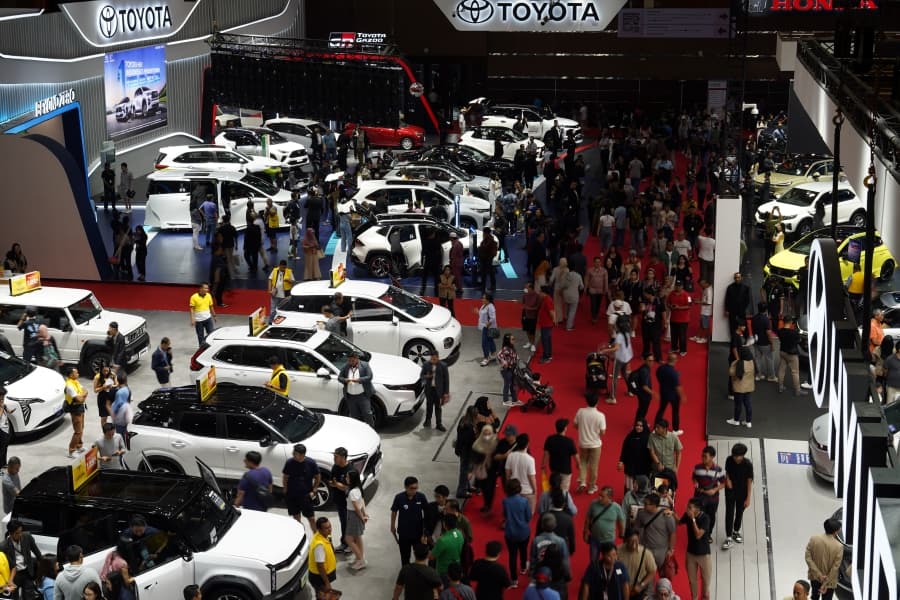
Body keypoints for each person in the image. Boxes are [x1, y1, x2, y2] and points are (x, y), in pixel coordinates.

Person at [634, 493, 677, 575]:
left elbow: (672, 533)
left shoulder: (667, 516)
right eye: (644, 503)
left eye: (646, 504)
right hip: (646, 549)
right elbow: (637, 528)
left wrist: (671, 549)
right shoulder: (641, 514)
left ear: (654, 505)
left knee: (661, 573)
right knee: (644, 572)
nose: (644, 505)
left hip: (661, 551)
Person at [391, 477, 428, 566]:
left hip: (418, 534)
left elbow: (427, 513)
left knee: (420, 557)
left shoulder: (421, 497)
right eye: (412, 488)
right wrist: (392, 526)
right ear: (406, 487)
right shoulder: (399, 497)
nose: (414, 490)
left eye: (416, 488)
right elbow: (394, 511)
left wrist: (425, 531)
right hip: (404, 534)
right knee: (405, 557)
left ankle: (418, 572)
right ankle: (406, 572)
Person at [574, 393, 607, 494]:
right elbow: (603, 432)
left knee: (583, 462)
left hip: (583, 442)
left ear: (586, 401)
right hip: (595, 444)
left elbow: (575, 425)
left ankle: (582, 481)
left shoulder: (580, 411)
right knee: (593, 466)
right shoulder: (600, 415)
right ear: (597, 402)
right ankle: (591, 487)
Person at [502, 479, 532, 589]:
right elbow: (529, 516)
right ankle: (523, 567)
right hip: (523, 531)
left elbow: (505, 515)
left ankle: (514, 579)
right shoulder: (524, 501)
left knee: (512, 555)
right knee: (523, 550)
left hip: (510, 532)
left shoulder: (505, 501)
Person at [584, 486, 626, 564]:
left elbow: (621, 521)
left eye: (602, 496)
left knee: (610, 560)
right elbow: (588, 518)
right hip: (595, 539)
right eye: (599, 495)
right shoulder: (594, 504)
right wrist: (585, 532)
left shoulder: (616, 507)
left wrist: (622, 532)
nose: (599, 498)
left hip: (609, 540)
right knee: (593, 561)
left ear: (609, 497)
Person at [282, 444, 320, 531]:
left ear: (302, 455)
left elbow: (318, 477)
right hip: (292, 495)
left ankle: (316, 535)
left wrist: (314, 489)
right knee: (296, 518)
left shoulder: (311, 463)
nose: (292, 454)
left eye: (295, 453)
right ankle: (302, 534)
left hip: (306, 496)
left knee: (311, 518)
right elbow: (285, 477)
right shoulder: (289, 463)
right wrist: (285, 489)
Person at [680, 498, 712, 600]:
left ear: (697, 509)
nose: (687, 509)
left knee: (706, 580)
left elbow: (698, 535)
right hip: (691, 554)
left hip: (704, 554)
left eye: (690, 507)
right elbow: (679, 522)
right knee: (692, 580)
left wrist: (693, 519)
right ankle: (694, 598)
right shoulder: (687, 515)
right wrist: (671, 513)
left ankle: (705, 596)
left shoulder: (705, 518)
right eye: (687, 506)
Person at [804, 518, 843, 600]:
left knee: (814, 597)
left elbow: (808, 558)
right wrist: (825, 583)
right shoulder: (839, 546)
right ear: (836, 531)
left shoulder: (814, 539)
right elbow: (835, 567)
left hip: (814, 576)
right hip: (830, 581)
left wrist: (819, 575)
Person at [3, 519, 41, 599]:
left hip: (27, 571)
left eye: (21, 531)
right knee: (14, 597)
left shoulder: (27, 536)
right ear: (10, 533)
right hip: (15, 575)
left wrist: (42, 570)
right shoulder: (4, 546)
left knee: (29, 596)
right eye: (17, 533)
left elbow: (38, 553)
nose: (20, 534)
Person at [617, 528, 657, 599]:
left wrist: (641, 585)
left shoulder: (646, 553)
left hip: (637, 591)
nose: (634, 545)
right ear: (625, 540)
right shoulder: (618, 551)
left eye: (636, 541)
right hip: (621, 589)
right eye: (631, 541)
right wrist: (620, 576)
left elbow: (652, 572)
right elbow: (615, 567)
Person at [338, 352, 375, 428]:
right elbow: (339, 378)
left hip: (363, 396)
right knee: (354, 415)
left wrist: (359, 380)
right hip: (351, 397)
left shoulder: (365, 365)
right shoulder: (346, 366)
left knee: (367, 414)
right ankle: (357, 430)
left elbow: (369, 376)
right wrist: (345, 380)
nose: (350, 362)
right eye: (349, 360)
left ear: (357, 359)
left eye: (352, 360)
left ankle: (371, 429)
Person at [654, 353, 685, 435]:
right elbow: (677, 386)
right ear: (675, 360)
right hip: (674, 396)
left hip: (663, 393)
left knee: (661, 410)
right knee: (675, 412)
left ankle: (655, 428)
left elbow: (657, 375)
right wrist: (682, 396)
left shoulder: (661, 368)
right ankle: (675, 430)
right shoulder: (673, 373)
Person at [543, 418, 577, 493]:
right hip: (566, 469)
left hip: (554, 468)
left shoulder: (550, 439)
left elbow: (546, 453)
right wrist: (578, 465)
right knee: (564, 490)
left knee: (554, 487)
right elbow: (575, 455)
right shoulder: (569, 441)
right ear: (565, 428)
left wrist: (543, 465)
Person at [506, 434, 537, 513]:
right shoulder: (530, 459)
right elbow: (531, 478)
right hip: (527, 491)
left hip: (514, 490)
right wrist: (535, 490)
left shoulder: (510, 456)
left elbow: (507, 474)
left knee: (514, 513)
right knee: (527, 514)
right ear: (527, 444)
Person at [778, 316, 808, 397]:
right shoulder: (794, 333)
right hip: (792, 354)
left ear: (783, 322)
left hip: (782, 352)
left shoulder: (780, 331)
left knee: (781, 370)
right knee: (795, 372)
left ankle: (780, 386)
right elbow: (799, 340)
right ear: (791, 322)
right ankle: (798, 390)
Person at [308, 518, 338, 598]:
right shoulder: (319, 545)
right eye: (326, 528)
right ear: (319, 529)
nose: (330, 529)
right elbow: (320, 566)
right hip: (319, 578)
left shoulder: (324, 535)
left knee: (325, 596)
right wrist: (327, 583)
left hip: (322, 576)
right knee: (323, 597)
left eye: (330, 526)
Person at [345, 470, 368, 571]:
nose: (346, 478)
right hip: (356, 515)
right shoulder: (358, 489)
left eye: (347, 477)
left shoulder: (352, 492)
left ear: (352, 479)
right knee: (358, 537)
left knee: (349, 539)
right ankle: (359, 558)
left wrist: (362, 517)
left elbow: (356, 508)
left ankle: (361, 560)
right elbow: (362, 501)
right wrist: (364, 514)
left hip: (353, 516)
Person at [727, 346, 756, 428]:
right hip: (749, 387)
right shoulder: (752, 362)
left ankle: (736, 420)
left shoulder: (739, 363)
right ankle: (748, 422)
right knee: (748, 404)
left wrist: (734, 363)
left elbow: (731, 373)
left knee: (738, 405)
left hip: (739, 388)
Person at [421, 352, 449, 431]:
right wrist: (427, 376)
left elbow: (446, 380)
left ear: (438, 358)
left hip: (438, 391)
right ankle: (428, 421)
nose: (432, 360)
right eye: (431, 359)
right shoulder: (426, 364)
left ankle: (439, 424)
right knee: (429, 406)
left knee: (438, 407)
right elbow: (421, 376)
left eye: (434, 359)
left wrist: (446, 393)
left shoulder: (443, 366)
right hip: (429, 390)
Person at [64, 367, 88, 458]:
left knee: (81, 428)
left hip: (80, 407)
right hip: (75, 410)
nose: (78, 374)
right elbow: (79, 399)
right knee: (78, 431)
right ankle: (72, 450)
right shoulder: (69, 386)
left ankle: (79, 446)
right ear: (71, 375)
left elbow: (86, 391)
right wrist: (82, 397)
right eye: (76, 373)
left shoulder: (76, 382)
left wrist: (82, 396)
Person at [667, 281, 691, 356]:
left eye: (679, 286)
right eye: (676, 286)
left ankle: (683, 350)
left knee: (682, 336)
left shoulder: (687, 295)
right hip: (673, 318)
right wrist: (670, 306)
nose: (677, 287)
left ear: (682, 286)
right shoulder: (671, 293)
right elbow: (667, 303)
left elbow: (689, 306)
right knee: (673, 335)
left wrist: (679, 307)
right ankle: (674, 348)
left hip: (683, 320)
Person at [498, 334, 520, 407]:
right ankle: (505, 400)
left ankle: (515, 400)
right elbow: (499, 355)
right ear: (508, 341)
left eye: (514, 339)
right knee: (507, 385)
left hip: (512, 369)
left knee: (513, 384)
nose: (514, 340)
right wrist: (504, 363)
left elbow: (514, 356)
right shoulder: (506, 349)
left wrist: (517, 359)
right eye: (512, 339)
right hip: (507, 370)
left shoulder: (511, 348)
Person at [477, 294, 498, 367]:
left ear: (488, 300)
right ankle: (493, 354)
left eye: (484, 298)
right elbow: (482, 314)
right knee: (490, 341)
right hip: (485, 327)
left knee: (484, 343)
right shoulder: (484, 305)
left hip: (488, 328)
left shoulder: (491, 307)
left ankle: (486, 358)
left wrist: (487, 325)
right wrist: (477, 312)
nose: (482, 299)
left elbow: (493, 318)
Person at [109, 373, 131, 441]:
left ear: (118, 380)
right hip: (126, 414)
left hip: (120, 417)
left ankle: (121, 445)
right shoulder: (128, 389)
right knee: (124, 432)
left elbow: (117, 405)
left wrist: (113, 415)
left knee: (119, 434)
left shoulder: (119, 392)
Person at [537, 285, 556, 364]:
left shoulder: (547, 300)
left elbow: (551, 312)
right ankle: (548, 355)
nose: (539, 293)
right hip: (545, 324)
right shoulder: (546, 299)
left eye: (540, 291)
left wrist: (553, 321)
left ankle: (546, 357)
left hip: (546, 324)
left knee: (545, 340)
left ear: (543, 292)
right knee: (547, 340)